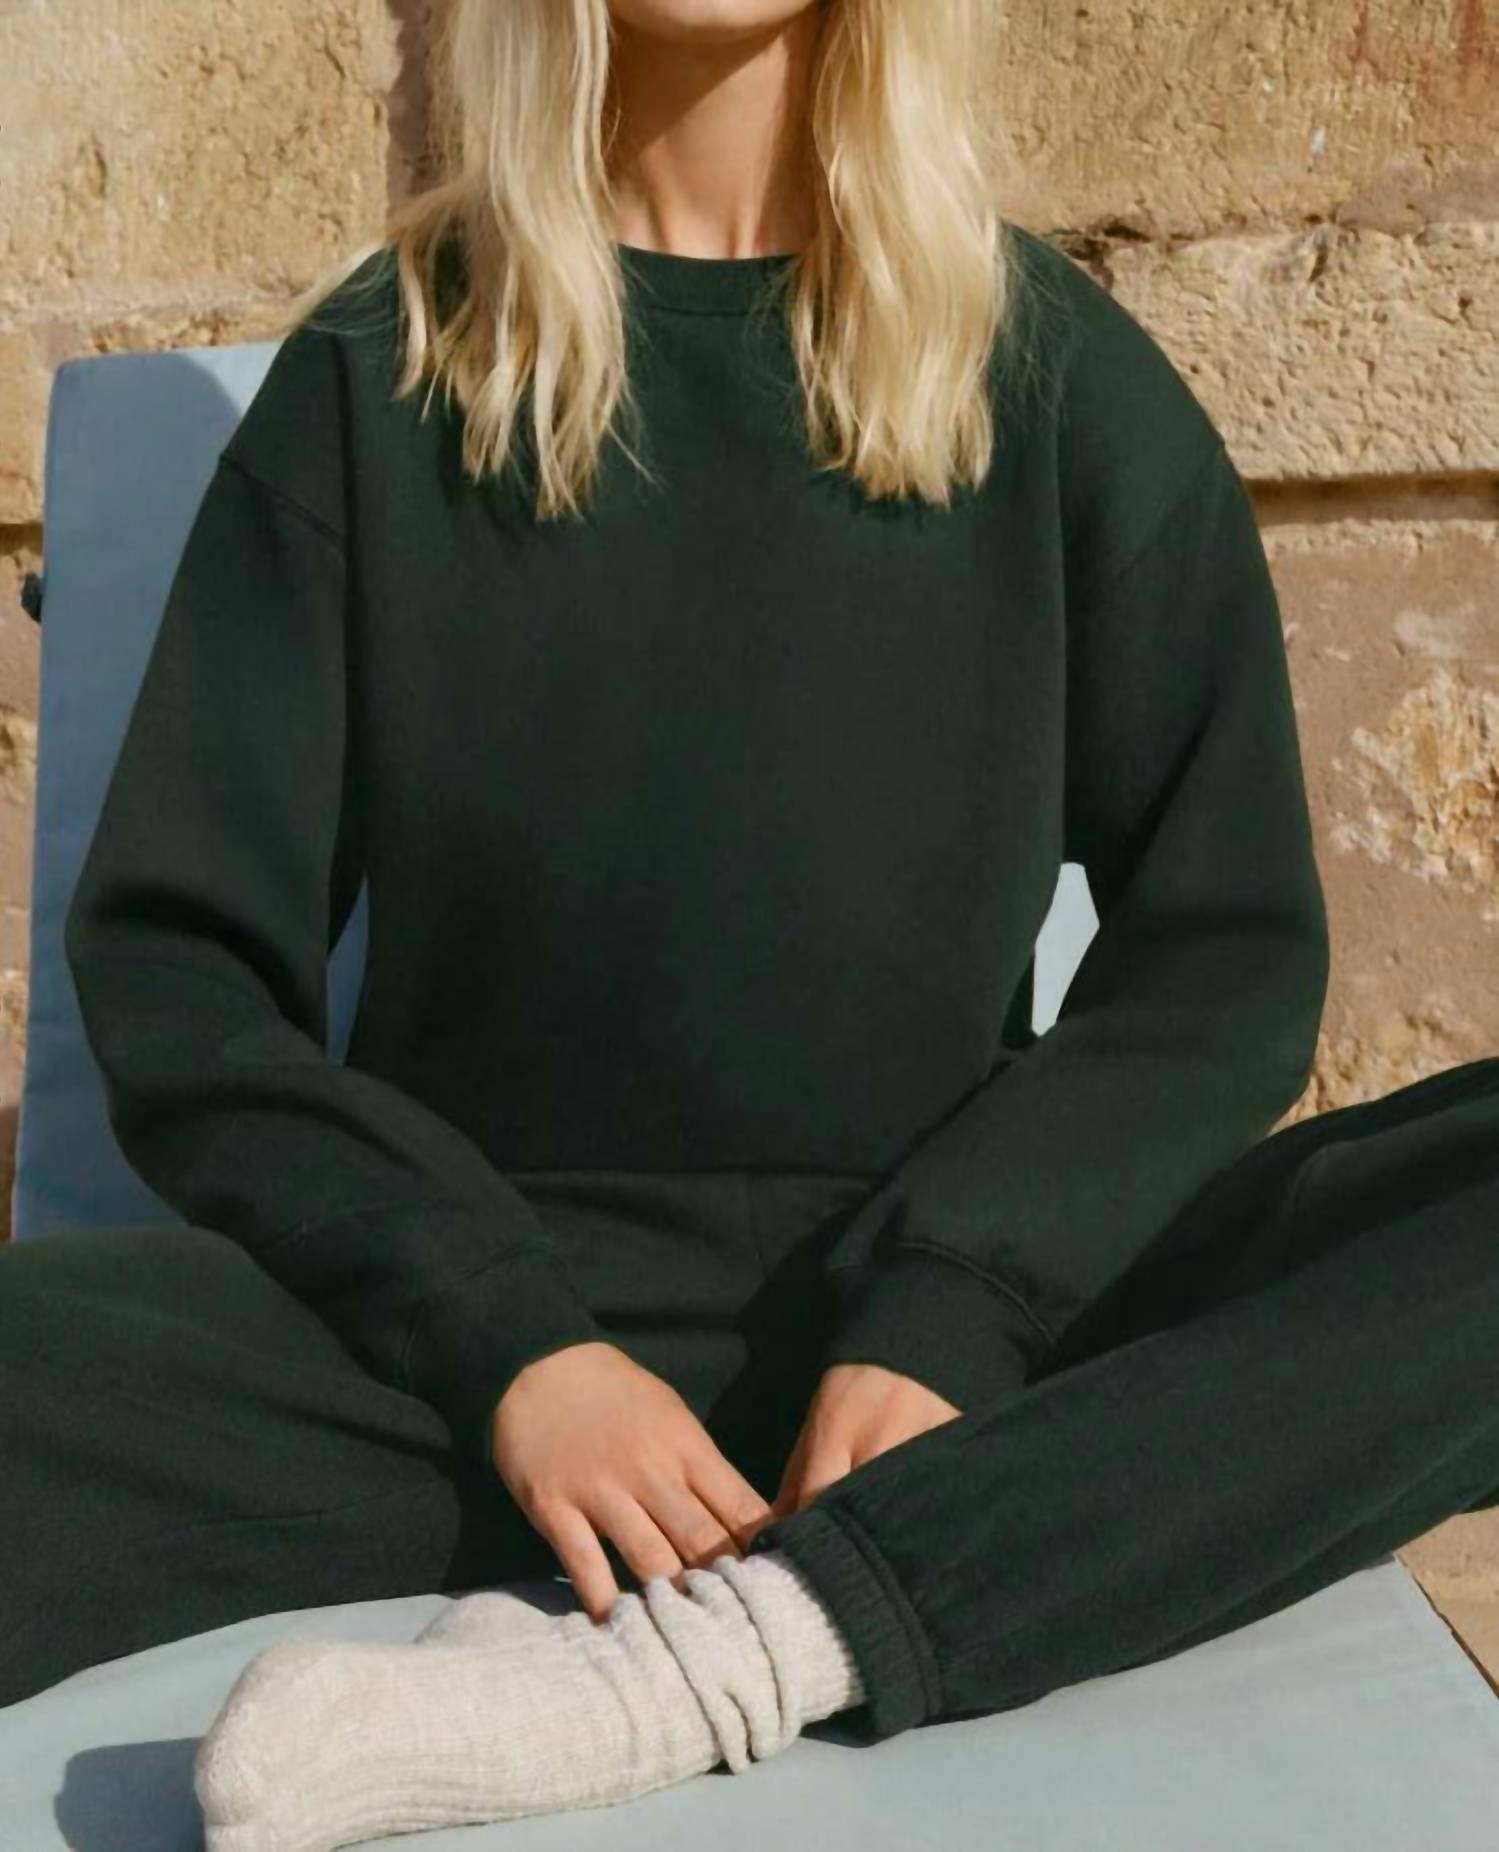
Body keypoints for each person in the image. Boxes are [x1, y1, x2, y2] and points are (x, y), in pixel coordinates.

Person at [4, 0, 1497, 1845]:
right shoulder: (388, 374)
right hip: (475, 1360)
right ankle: (888, 1585)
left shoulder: (1054, 377)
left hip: (949, 1346)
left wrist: (956, 1307)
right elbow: (179, 969)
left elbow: (1227, 950)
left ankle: (739, 1650)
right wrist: (513, 1348)